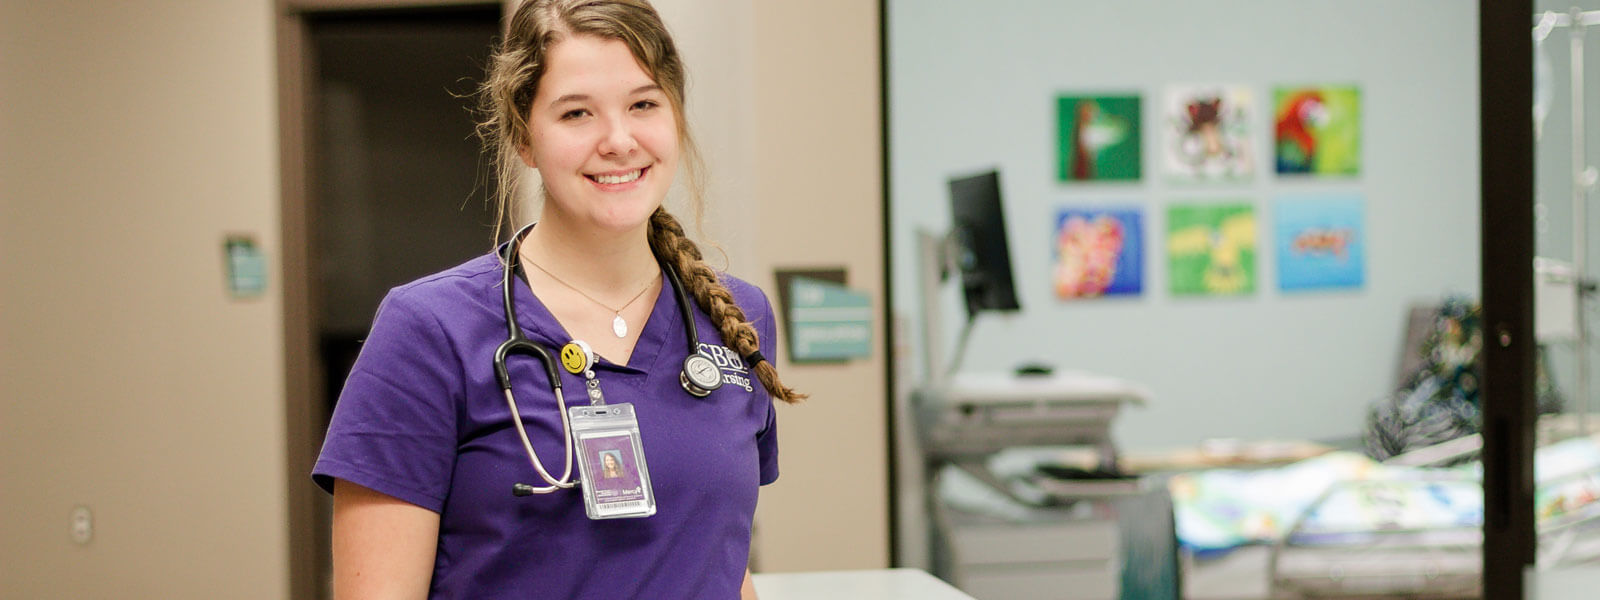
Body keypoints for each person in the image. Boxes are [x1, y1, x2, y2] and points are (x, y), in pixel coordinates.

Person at [311, 1, 804, 597]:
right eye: (577, 113)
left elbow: (721, 562)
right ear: (524, 137)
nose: (619, 140)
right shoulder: (429, 332)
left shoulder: (734, 317)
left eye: (643, 104)